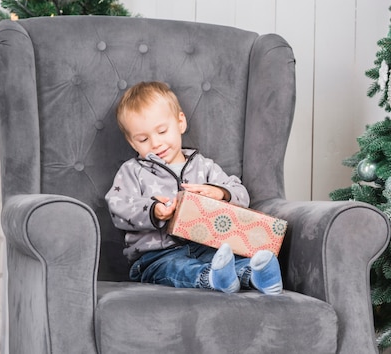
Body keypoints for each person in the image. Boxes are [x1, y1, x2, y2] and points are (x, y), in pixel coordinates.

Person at [105, 81, 282, 295]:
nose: (155, 143)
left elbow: (241, 194)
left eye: (162, 131)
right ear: (133, 143)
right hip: (156, 256)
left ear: (180, 122)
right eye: (143, 139)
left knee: (230, 259)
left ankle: (260, 274)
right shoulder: (132, 171)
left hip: (207, 247)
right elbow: (118, 207)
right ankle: (213, 278)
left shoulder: (203, 166)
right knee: (176, 268)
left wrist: (219, 193)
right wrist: (153, 211)